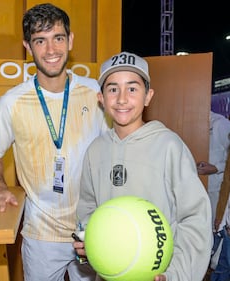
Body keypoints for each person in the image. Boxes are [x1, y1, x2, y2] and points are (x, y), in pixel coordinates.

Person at [0, 3, 108, 280]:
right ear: (27, 48)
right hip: (41, 232)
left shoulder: (96, 93)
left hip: (95, 228)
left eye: (58, 38)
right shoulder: (12, 102)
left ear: (70, 40)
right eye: (40, 41)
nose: (51, 50)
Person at [73, 51, 213, 281]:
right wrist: (88, 244)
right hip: (110, 274)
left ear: (148, 96)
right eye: (112, 89)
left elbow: (195, 218)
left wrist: (176, 274)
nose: (122, 99)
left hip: (159, 274)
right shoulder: (95, 151)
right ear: (101, 98)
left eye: (132, 88)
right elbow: (88, 210)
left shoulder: (169, 146)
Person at [197, 111, 230, 227]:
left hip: (216, 190)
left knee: (215, 229)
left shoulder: (220, 123)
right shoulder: (190, 123)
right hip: (197, 188)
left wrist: (216, 168)